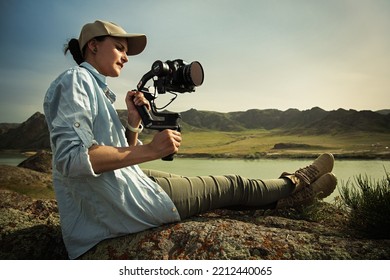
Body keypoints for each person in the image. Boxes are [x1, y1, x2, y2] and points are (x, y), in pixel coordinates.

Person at [43, 20, 337, 259]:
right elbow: (72, 160)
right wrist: (150, 149)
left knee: (215, 194)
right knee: (233, 185)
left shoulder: (94, 87)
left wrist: (133, 124)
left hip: (120, 188)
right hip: (118, 208)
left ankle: (290, 199)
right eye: (119, 48)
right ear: (93, 46)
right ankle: (298, 182)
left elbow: (113, 156)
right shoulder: (75, 81)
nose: (126, 56)